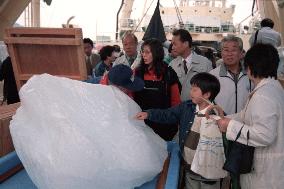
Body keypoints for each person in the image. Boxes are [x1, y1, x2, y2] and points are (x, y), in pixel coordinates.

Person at [211, 44, 284, 189]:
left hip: (266, 173)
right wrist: (224, 117)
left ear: (250, 67)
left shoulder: (264, 95)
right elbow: (246, 115)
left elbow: (264, 135)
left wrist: (229, 126)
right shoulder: (272, 88)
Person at [135, 72, 224, 189]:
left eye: (195, 90)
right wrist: (148, 114)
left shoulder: (219, 116)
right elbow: (168, 114)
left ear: (207, 94)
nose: (190, 92)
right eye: (191, 88)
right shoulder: (186, 107)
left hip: (209, 171)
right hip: (189, 166)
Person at [134, 38, 181, 141]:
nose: (144, 55)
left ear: (156, 53)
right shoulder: (138, 73)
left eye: (147, 52)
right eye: (142, 52)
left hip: (164, 125)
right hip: (143, 124)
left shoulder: (169, 73)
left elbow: (176, 102)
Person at [210, 35, 252, 115]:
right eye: (226, 50)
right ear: (221, 53)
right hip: (221, 123)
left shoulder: (251, 75)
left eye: (234, 50)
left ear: (241, 53)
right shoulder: (213, 75)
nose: (229, 54)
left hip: (245, 124)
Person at [169, 29, 212, 101]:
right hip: (178, 109)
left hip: (198, 109)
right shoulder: (172, 65)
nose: (172, 47)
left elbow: (211, 89)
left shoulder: (205, 63)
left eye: (175, 44)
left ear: (186, 44)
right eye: (172, 44)